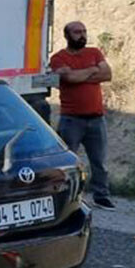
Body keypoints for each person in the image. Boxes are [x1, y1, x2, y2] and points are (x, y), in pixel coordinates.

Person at [49, 21, 115, 210]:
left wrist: (82, 74)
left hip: (96, 117)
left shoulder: (94, 52)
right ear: (67, 35)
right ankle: (66, 195)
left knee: (99, 161)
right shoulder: (59, 58)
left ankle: (102, 195)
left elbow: (107, 74)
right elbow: (70, 78)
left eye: (84, 31)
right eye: (77, 32)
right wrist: (93, 70)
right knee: (68, 160)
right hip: (72, 118)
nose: (82, 35)